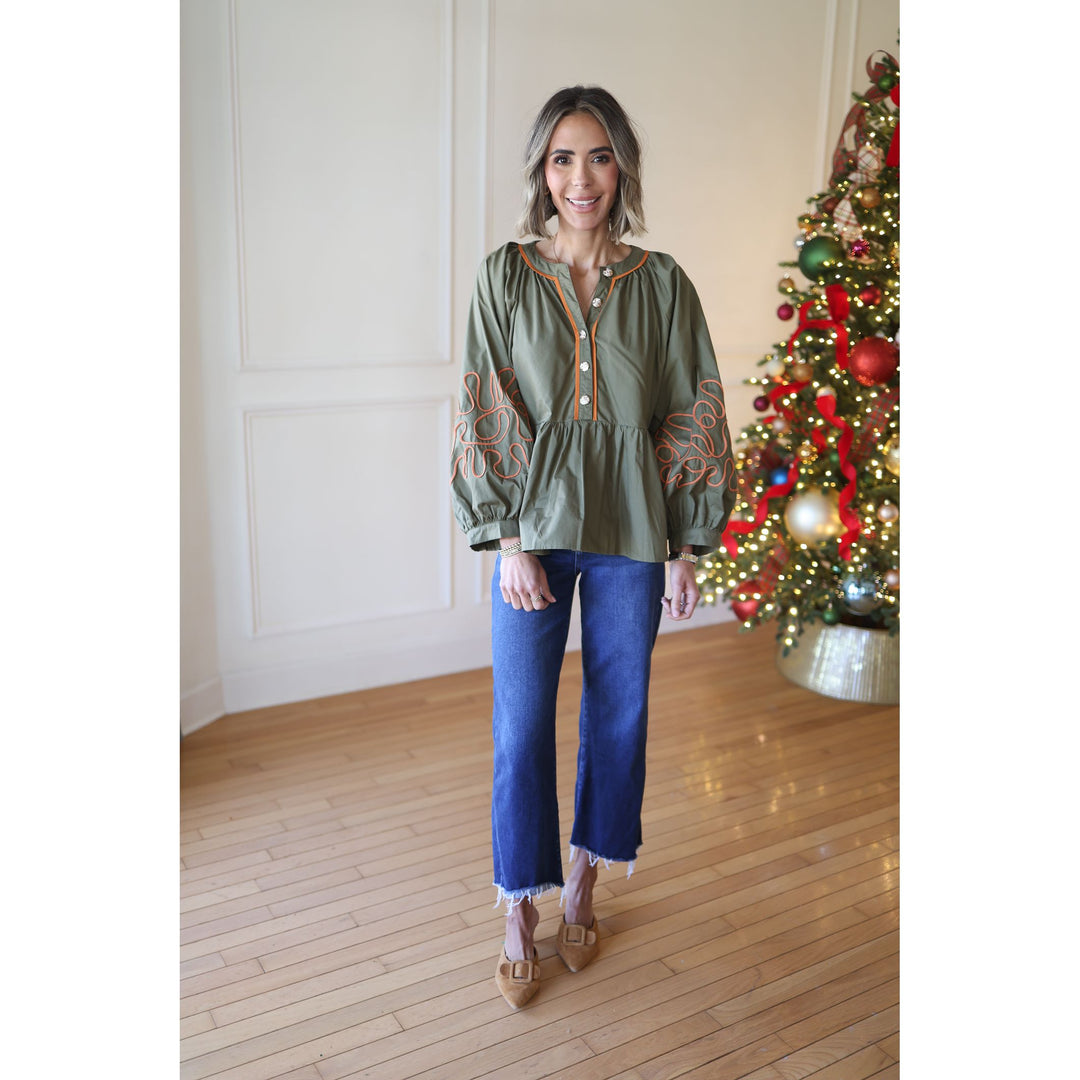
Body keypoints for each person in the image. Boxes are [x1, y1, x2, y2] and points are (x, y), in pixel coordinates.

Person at [450, 85, 736, 1009]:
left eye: (601, 156)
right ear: (543, 168)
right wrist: (508, 540)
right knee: (521, 725)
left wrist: (686, 543)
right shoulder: (504, 276)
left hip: (631, 539)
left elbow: (692, 410)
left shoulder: (663, 284)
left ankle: (584, 878)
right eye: (565, 157)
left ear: (623, 170)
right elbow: (486, 408)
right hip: (533, 539)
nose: (583, 177)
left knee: (620, 716)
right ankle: (517, 904)